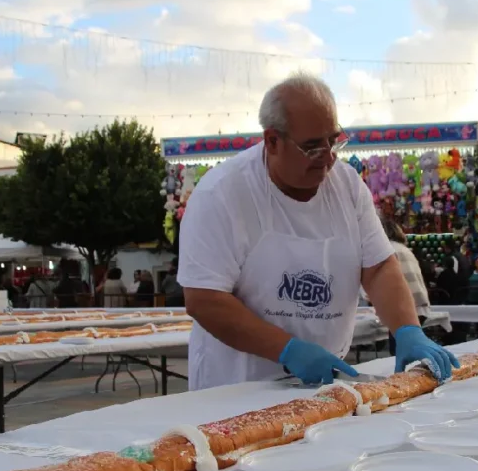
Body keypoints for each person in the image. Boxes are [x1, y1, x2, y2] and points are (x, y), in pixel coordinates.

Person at [178, 72, 459, 390]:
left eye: (333, 141)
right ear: (273, 141)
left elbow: (379, 266)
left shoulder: (348, 186)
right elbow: (204, 298)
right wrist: (288, 350)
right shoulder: (222, 194)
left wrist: (408, 330)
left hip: (325, 380)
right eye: (312, 147)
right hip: (237, 384)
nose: (328, 158)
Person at [378, 218, 431, 356]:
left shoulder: (387, 249)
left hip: (403, 307)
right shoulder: (405, 249)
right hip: (420, 304)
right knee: (410, 349)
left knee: (398, 352)